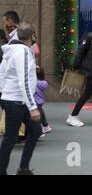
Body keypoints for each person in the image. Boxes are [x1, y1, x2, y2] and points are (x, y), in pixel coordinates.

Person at [0, 22, 42, 175]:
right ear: (32, 36)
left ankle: (23, 168)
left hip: (15, 100)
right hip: (17, 101)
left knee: (35, 130)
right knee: (10, 138)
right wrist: (33, 107)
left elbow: (2, 74)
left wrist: (3, 94)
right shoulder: (22, 52)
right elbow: (23, 81)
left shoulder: (12, 50)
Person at [35, 67, 52, 134]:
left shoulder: (34, 82)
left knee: (39, 114)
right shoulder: (43, 82)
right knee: (41, 113)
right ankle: (45, 126)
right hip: (40, 100)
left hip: (36, 100)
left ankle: (41, 128)